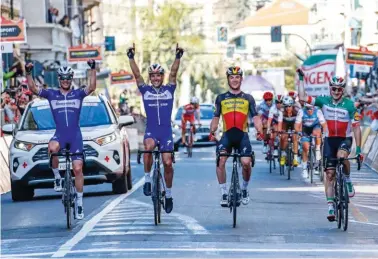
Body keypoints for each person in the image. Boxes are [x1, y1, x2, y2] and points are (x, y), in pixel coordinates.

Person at [25, 59, 97, 220]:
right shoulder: (51, 94)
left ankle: (79, 203)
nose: (65, 80)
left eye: (68, 78)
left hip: (75, 135)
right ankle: (57, 178)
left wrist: (93, 69)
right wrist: (29, 73)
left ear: (71, 79)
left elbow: (92, 87)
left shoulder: (78, 94)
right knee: (52, 148)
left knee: (77, 169)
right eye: (62, 78)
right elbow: (33, 88)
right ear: (59, 79)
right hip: (60, 134)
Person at [297, 69, 362, 221]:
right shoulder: (323, 101)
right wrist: (301, 78)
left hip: (344, 139)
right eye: (334, 88)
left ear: (343, 90)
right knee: (329, 174)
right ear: (330, 88)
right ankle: (331, 206)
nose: (336, 91)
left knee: (341, 156)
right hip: (329, 141)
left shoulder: (350, 105)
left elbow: (357, 128)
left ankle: (347, 179)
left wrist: (358, 149)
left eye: (339, 89)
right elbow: (302, 97)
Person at [127, 42, 184, 213]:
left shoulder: (169, 89)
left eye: (158, 75)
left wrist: (177, 57)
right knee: (149, 147)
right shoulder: (145, 90)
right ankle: (147, 180)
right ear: (150, 78)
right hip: (152, 129)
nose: (156, 78)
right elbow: (136, 74)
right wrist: (131, 58)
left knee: (167, 163)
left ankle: (168, 194)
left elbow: (174, 72)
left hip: (165, 131)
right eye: (153, 76)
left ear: (162, 77)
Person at [209, 66, 263, 206]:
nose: (234, 80)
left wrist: (259, 130)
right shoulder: (221, 98)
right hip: (227, 135)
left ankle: (244, 189)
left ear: (241, 79)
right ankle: (224, 193)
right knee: (220, 161)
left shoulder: (248, 98)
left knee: (246, 163)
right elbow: (216, 117)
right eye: (231, 77)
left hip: (242, 136)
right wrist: (212, 131)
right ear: (228, 79)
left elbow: (255, 117)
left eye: (237, 77)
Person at [294, 102, 327, 177]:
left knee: (317, 133)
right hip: (306, 129)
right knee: (305, 147)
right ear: (305, 108)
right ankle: (304, 169)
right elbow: (296, 125)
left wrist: (325, 132)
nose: (309, 111)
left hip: (315, 127)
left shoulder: (318, 111)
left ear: (314, 107)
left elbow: (324, 124)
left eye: (311, 109)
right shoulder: (301, 111)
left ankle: (318, 151)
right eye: (307, 109)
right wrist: (298, 132)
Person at [277, 96, 299, 167]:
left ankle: (295, 158)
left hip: (294, 124)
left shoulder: (297, 111)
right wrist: (279, 132)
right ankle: (283, 155)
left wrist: (298, 131)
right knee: (283, 137)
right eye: (286, 106)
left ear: (292, 106)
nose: (288, 108)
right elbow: (280, 123)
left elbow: (299, 123)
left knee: (295, 137)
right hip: (285, 124)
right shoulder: (281, 112)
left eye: (289, 106)